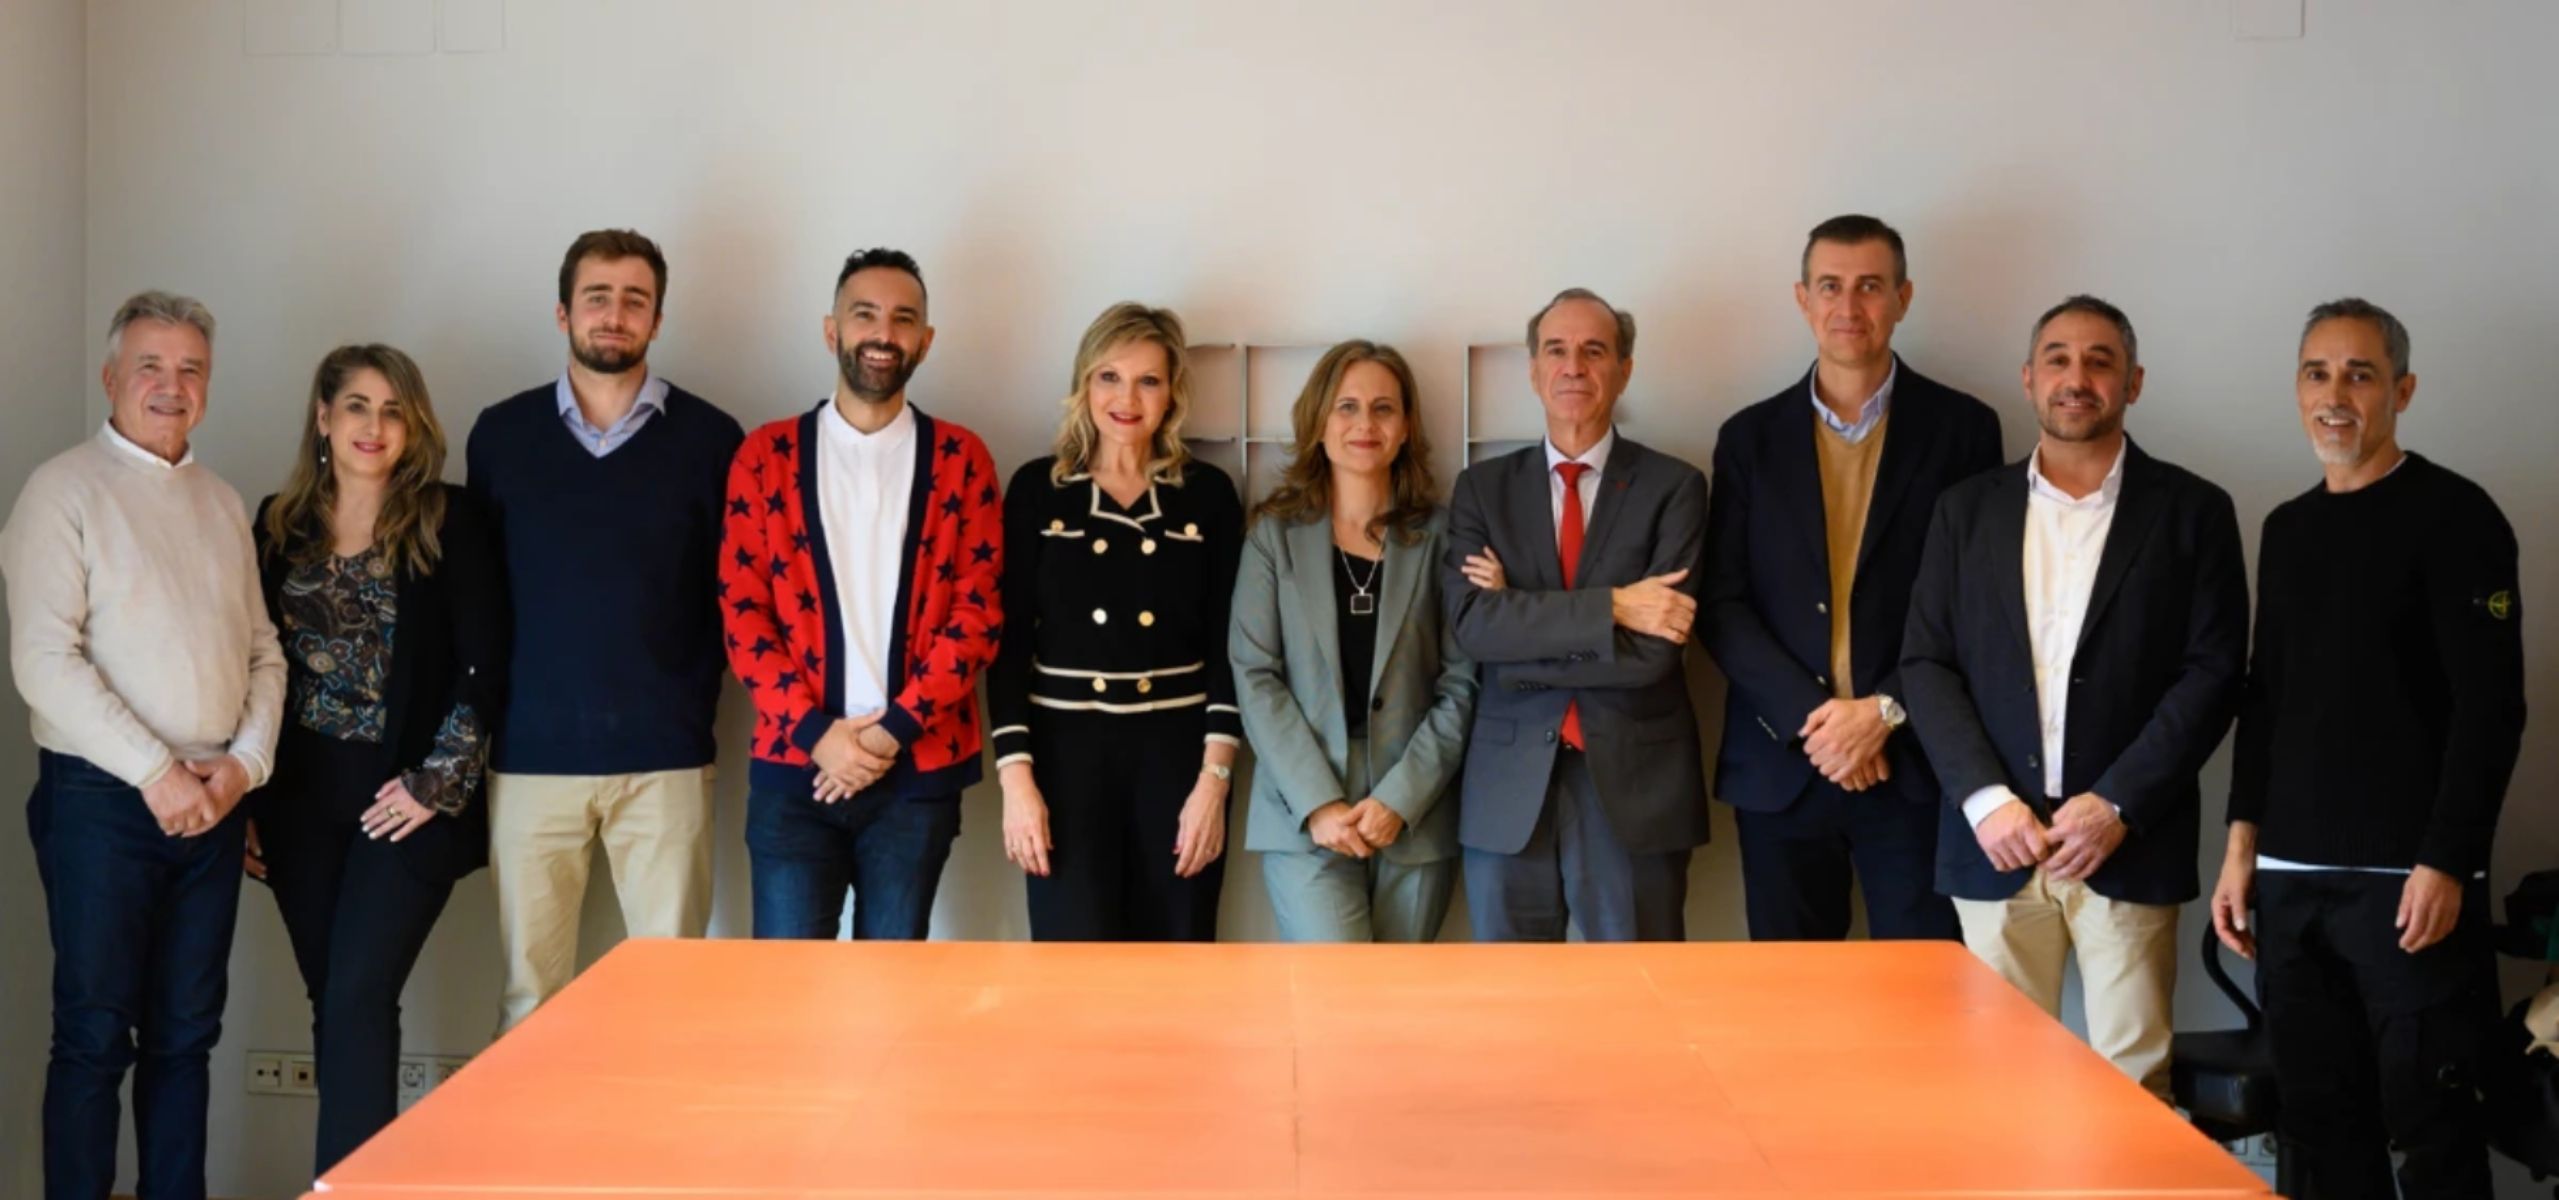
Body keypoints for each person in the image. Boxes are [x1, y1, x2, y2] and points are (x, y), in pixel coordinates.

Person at [2212, 298, 2525, 1199]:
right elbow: (2263, 700)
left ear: (2402, 390)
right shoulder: (2285, 528)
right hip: (2289, 882)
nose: (2334, 394)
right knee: (2317, 1128)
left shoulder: (2456, 516)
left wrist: (2446, 862)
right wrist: (2242, 852)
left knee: (2431, 1130)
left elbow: (2491, 708)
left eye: (2358, 374)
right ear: (2297, 389)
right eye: (2316, 373)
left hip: (2406, 887)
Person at [1899, 295, 2247, 1098]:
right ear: (2027, 379)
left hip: (2127, 841)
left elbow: (2212, 673)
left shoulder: (2193, 512)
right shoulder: (1964, 510)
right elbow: (1925, 662)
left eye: (2099, 361)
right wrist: (1986, 801)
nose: (2076, 377)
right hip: (1995, 845)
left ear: (2133, 381)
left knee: (2133, 1088)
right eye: (2057, 358)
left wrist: (2117, 804)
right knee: (1996, 1086)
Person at [3, 291, 286, 1199]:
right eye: (152, 367)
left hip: (212, 799)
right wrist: (159, 773)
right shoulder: (61, 490)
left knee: (186, 1037)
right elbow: (46, 662)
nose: (172, 386)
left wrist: (241, 768)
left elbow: (263, 652)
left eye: (191, 368)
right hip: (101, 802)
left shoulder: (221, 500)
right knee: (93, 1034)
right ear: (111, 377)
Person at [464, 229, 743, 1031]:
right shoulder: (502, 436)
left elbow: (731, 598)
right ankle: (527, 1159)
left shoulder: (711, 440)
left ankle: (659, 1161)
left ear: (657, 319)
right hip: (530, 761)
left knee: (671, 997)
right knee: (529, 996)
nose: (613, 315)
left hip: (666, 760)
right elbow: (484, 599)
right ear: (562, 313)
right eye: (597, 297)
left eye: (634, 300)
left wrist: (689, 707)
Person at [1700, 214, 2002, 942]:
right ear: (1801, 299)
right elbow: (1722, 604)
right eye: (1829, 286)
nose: (1848, 306)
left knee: (1921, 1004)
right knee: (1790, 1012)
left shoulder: (1964, 430)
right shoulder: (1747, 438)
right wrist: (1821, 724)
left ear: (1902, 297)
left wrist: (1882, 712)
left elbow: (1977, 605)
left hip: (1915, 765)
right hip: (1782, 766)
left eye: (1869, 286)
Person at [250, 344, 505, 1174]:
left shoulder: (447, 519)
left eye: (393, 410)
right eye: (357, 405)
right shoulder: (275, 525)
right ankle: (357, 1177)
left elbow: (486, 661)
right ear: (323, 418)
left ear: (413, 426)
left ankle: (347, 1188)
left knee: (358, 995)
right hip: (297, 806)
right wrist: (247, 802)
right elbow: (250, 668)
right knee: (338, 1002)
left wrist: (436, 783)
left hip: (404, 801)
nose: (374, 425)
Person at [720, 249, 1001, 939]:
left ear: (925, 341)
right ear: (831, 330)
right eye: (864, 314)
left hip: (915, 773)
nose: (883, 332)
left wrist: (884, 736)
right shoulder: (766, 456)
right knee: (787, 994)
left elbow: (977, 617)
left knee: (894, 996)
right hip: (796, 771)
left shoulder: (963, 460)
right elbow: (742, 611)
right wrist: (820, 737)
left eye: (903, 318)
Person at [1444, 287, 1709, 942]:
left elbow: (1657, 652)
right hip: (1507, 791)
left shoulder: (1674, 488)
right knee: (1513, 1013)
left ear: (1624, 369)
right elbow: (1476, 629)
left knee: (1636, 1005)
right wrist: (1616, 606)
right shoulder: (1481, 488)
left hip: (1633, 787)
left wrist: (1520, 611)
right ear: (1533, 370)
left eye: (1594, 351)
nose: (1573, 367)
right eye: (1555, 351)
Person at [989, 302, 1244, 940]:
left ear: (1171, 395)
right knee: (1074, 969)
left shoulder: (1207, 495)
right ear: (1084, 385)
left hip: (1179, 759)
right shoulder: (1037, 490)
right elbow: (1008, 645)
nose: (1126, 398)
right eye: (1109, 377)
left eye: (1148, 380)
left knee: (1179, 958)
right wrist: (1017, 784)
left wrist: (1213, 785)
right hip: (1064, 761)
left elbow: (1229, 648)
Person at [1229, 340, 1476, 942]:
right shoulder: (1274, 536)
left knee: (1396, 1011)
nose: (1365, 424)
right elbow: (1254, 674)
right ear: (1318, 421)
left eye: (1383, 408)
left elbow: (1463, 680)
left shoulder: (1443, 535)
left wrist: (1402, 797)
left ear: (1406, 427)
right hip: (1303, 810)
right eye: (1346, 407)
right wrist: (1317, 802)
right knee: (1333, 1003)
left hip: (1414, 812)